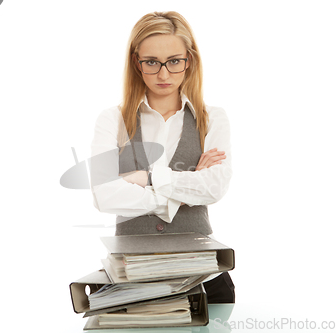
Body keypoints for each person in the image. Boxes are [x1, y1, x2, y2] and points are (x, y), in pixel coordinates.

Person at [90, 11, 234, 303]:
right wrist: (183, 191)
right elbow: (104, 196)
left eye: (174, 61)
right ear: (136, 62)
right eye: (152, 62)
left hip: (204, 275)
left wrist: (148, 179)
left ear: (189, 60)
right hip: (130, 275)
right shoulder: (112, 120)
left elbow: (215, 187)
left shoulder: (212, 119)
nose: (164, 74)